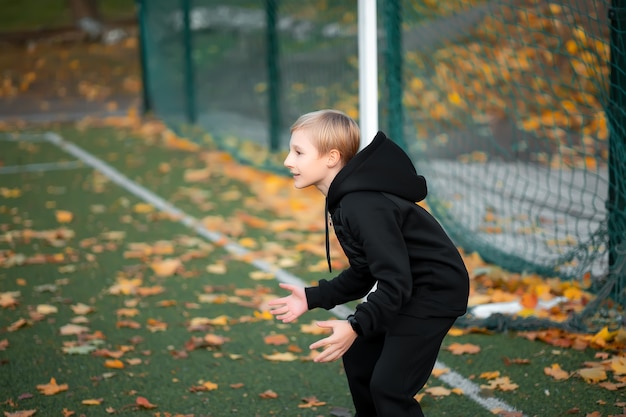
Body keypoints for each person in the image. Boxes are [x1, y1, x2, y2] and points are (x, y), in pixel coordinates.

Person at [268, 109, 470, 417]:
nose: (288, 161)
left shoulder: (362, 206)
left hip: (435, 292)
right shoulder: (346, 201)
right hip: (408, 286)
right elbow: (366, 272)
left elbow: (395, 282)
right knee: (361, 358)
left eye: (298, 152)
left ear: (331, 157)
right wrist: (312, 297)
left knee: (389, 387)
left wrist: (356, 325)